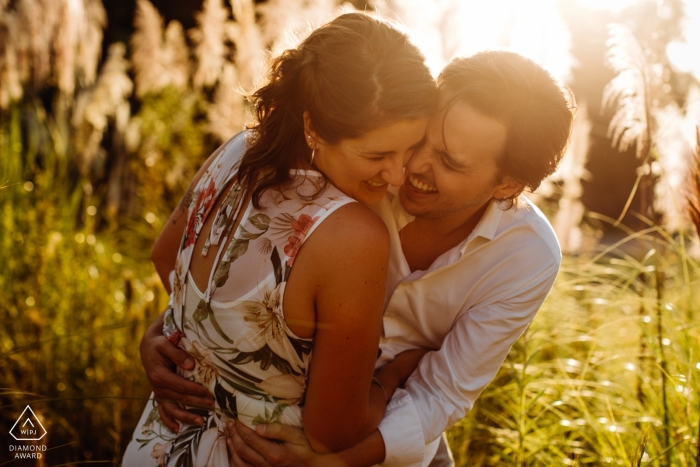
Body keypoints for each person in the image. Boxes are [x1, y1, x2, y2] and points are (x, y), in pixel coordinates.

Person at [221, 50, 576, 467]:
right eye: (425, 138)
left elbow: (443, 393)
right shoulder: (367, 168)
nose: (414, 165)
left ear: (507, 183)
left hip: (394, 435)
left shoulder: (527, 256)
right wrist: (173, 328)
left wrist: (335, 463)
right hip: (274, 413)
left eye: (449, 162)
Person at [121, 12, 437, 466]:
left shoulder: (237, 151)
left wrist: (179, 339)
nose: (397, 175)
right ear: (314, 127)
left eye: (410, 149)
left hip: (160, 443)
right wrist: (397, 373)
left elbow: (164, 259)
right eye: (377, 155)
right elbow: (333, 432)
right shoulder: (352, 234)